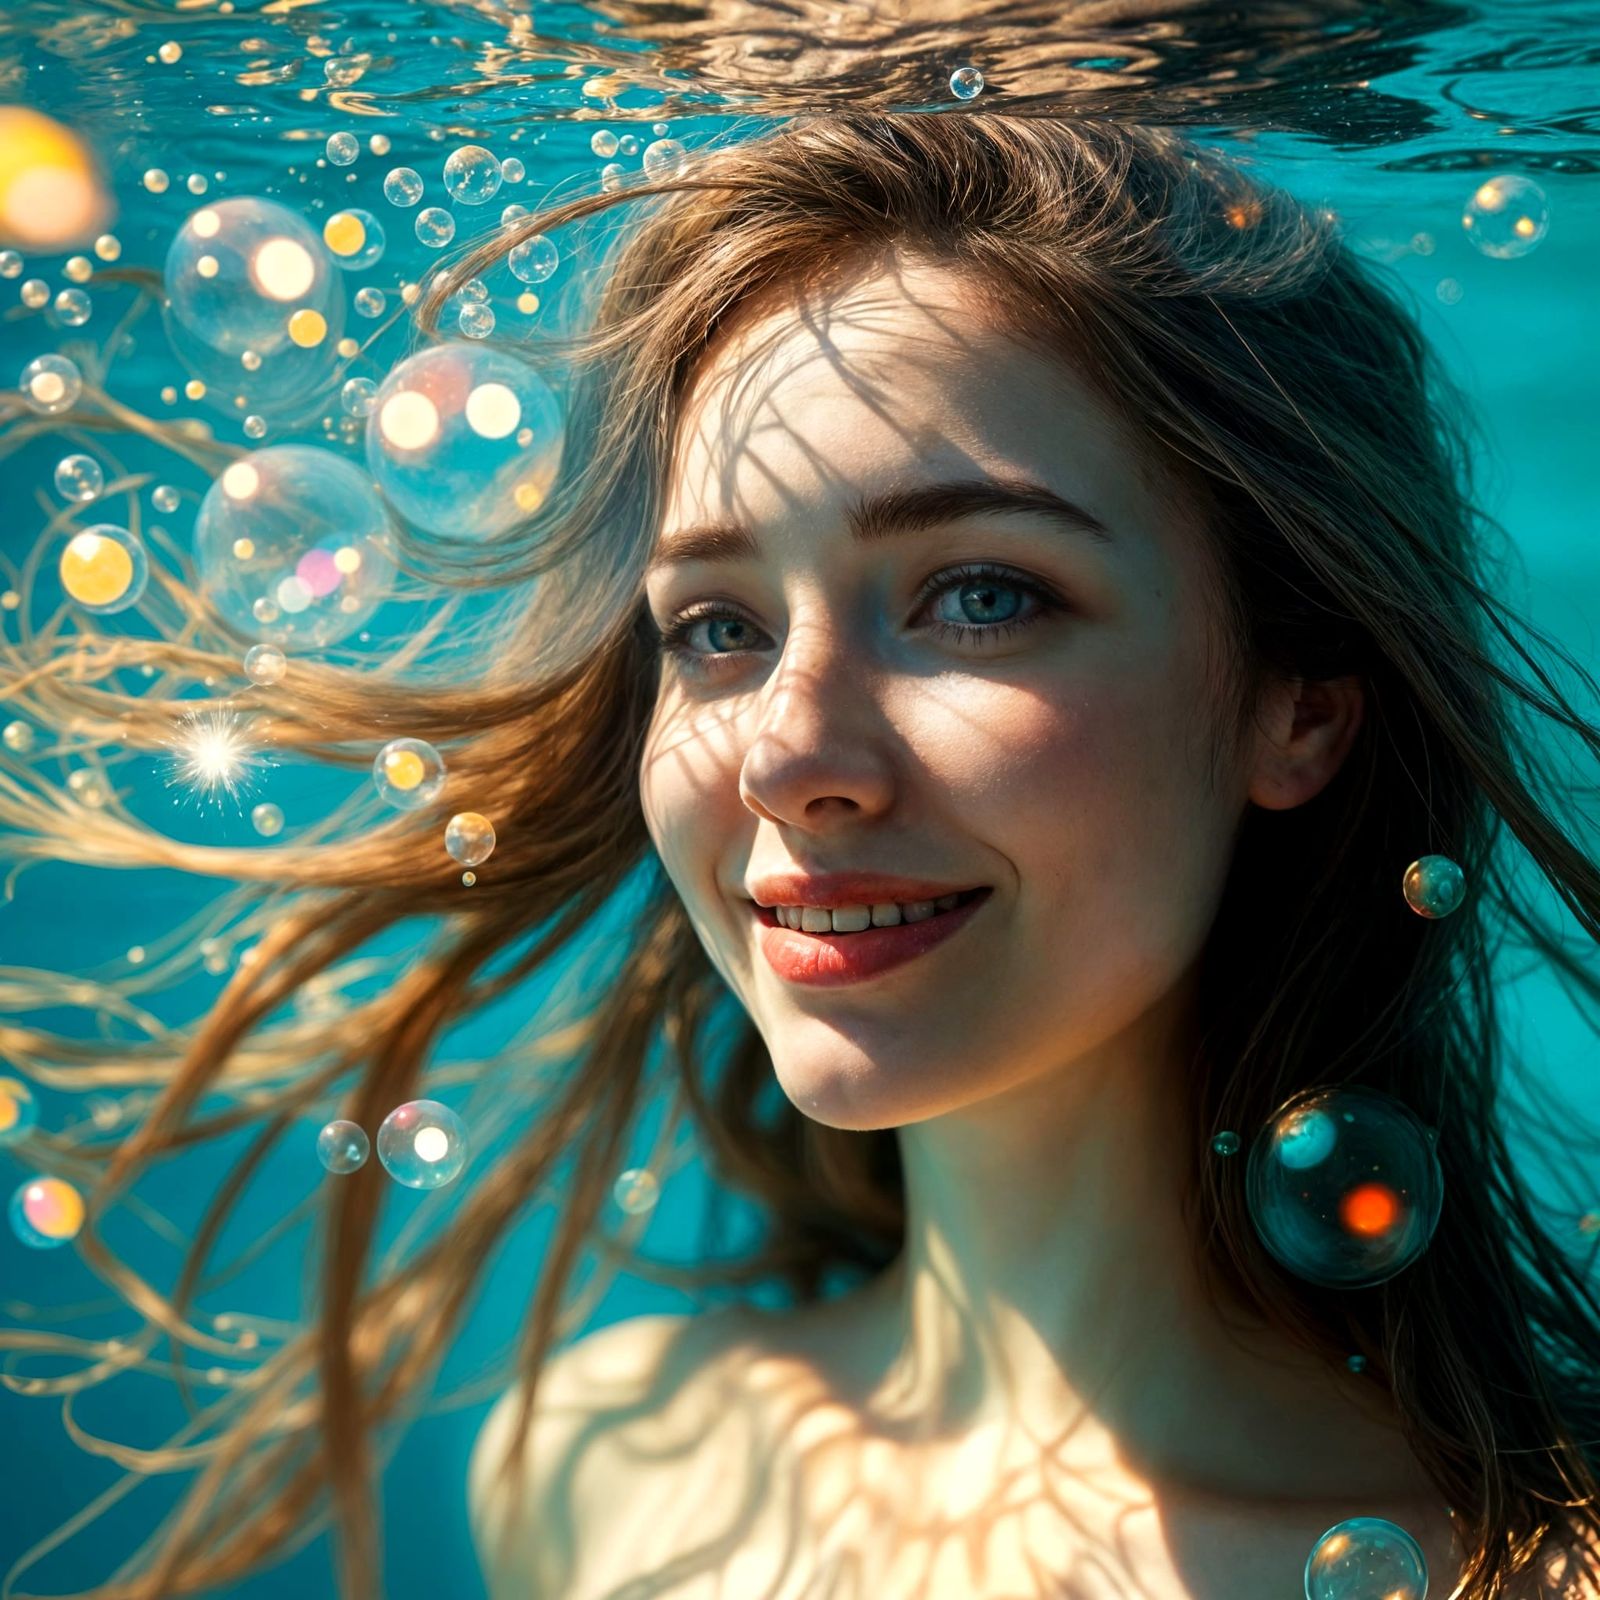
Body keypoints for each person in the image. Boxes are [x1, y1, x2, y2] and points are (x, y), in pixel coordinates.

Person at [5, 111, 1599, 1599]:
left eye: (980, 595)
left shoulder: (1527, 1571)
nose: (783, 752)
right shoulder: (599, 1474)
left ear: (1297, 710)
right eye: (717, 628)